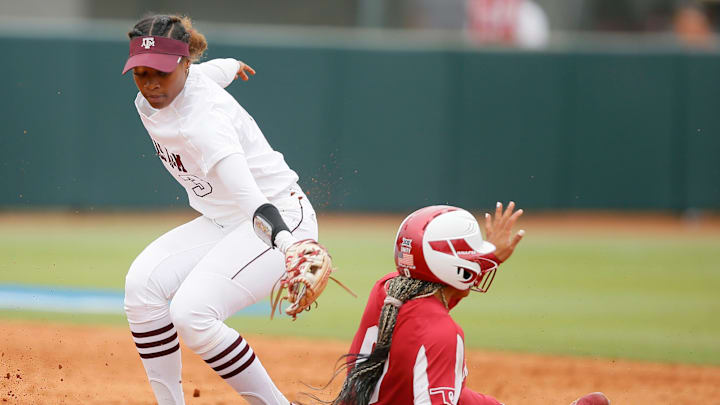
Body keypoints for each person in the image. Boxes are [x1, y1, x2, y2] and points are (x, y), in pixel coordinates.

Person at [121, 14, 323, 405]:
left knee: (192, 312)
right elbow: (209, 74)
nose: (150, 83)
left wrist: (289, 246)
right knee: (142, 288)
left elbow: (250, 197)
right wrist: (232, 66)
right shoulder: (172, 87)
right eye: (141, 72)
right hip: (224, 220)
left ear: (183, 63)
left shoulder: (205, 123)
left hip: (278, 218)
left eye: (160, 72)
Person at [331, 203, 609, 405]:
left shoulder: (387, 290)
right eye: (472, 257)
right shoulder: (443, 334)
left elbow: (428, 301)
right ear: (455, 268)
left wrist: (488, 259)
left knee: (475, 402)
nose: (478, 263)